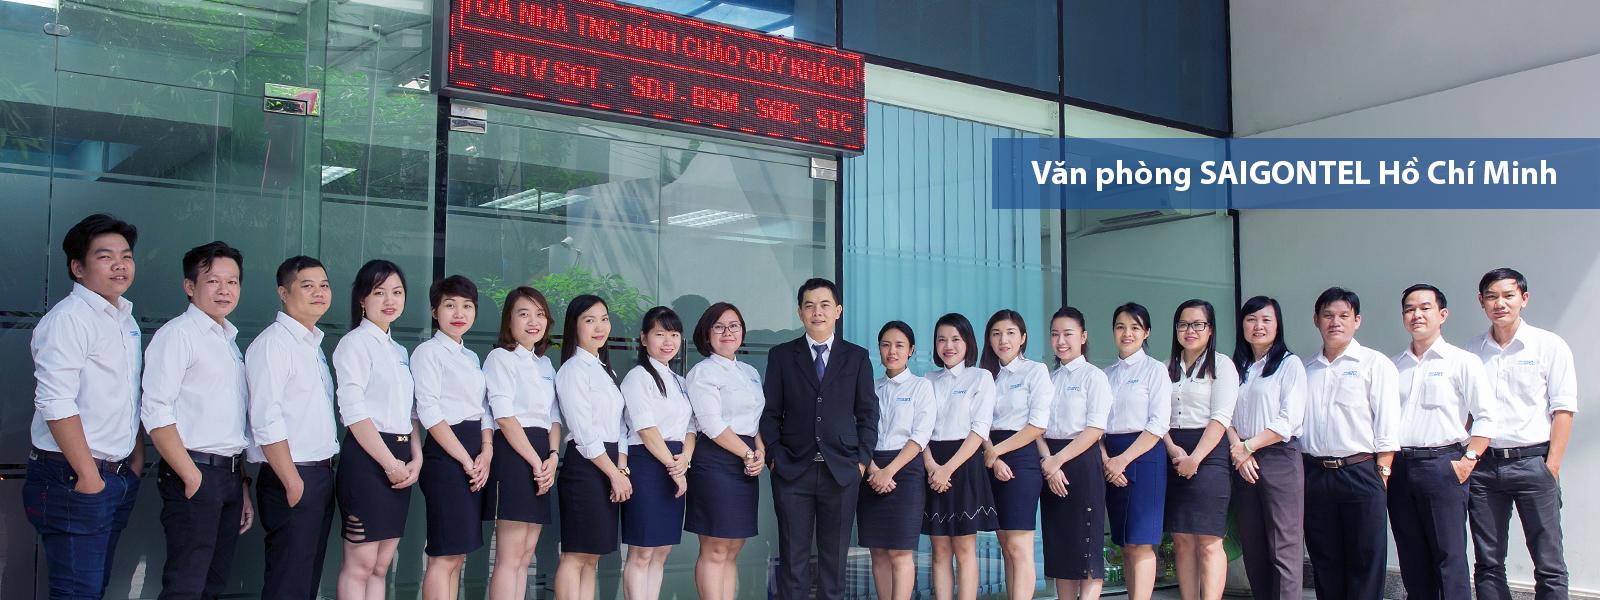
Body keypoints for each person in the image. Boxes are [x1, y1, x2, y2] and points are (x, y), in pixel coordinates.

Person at [24, 214, 146, 599]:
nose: (119, 265)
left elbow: (126, 395)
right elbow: (54, 401)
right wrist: (89, 477)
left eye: (126, 256)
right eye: (105, 257)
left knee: (92, 588)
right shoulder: (69, 320)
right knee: (77, 593)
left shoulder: (124, 318)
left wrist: (135, 460)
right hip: (72, 477)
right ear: (78, 268)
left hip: (115, 474)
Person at [142, 241, 254, 599]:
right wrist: (192, 476)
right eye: (213, 281)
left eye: (232, 281)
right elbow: (156, 410)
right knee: (186, 585)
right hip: (194, 471)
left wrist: (241, 484)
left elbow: (230, 422)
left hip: (229, 475)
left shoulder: (228, 340)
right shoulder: (178, 335)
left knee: (213, 584)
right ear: (190, 286)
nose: (225, 290)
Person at [760, 278, 877, 600]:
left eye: (825, 305)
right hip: (792, 470)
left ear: (838, 311)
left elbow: (868, 414)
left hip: (841, 471)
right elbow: (769, 413)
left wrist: (861, 462)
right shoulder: (782, 355)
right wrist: (774, 457)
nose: (817, 312)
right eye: (809, 306)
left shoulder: (857, 357)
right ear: (800, 313)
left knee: (834, 562)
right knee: (793, 560)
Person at [1467, 268, 1576, 600]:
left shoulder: (1549, 345)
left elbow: (1563, 410)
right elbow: (1466, 412)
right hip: (1484, 468)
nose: (1499, 303)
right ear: (1481, 302)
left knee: (1548, 563)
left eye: (1508, 295)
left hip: (1533, 463)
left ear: (1524, 299)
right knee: (1487, 562)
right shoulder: (1472, 352)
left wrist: (1551, 467)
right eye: (1491, 296)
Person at [1388, 283, 1497, 600]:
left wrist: (1469, 460)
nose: (1417, 315)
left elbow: (1486, 416)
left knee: (1449, 557)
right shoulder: (1393, 366)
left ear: (1443, 314)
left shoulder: (1462, 361)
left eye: (1425, 308)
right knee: (1411, 557)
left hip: (1442, 466)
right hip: (1400, 468)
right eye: (1409, 309)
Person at [245, 255, 340, 600]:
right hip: (292, 475)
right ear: (283, 293)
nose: (319, 293)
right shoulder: (274, 344)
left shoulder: (312, 345)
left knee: (305, 579)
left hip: (318, 474)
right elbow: (265, 418)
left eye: (324, 285)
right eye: (308, 286)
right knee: (289, 581)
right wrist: (292, 480)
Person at [1299, 287, 1399, 600]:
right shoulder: (1305, 369)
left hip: (1361, 471)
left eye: (1344, 315)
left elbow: (1388, 423)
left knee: (1365, 560)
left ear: (1357, 321)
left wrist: (1382, 473)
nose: (1335, 322)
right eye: (1328, 315)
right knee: (1324, 560)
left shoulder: (1374, 363)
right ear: (1316, 320)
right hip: (1315, 474)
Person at [333, 259, 422, 600]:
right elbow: (353, 412)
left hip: (402, 458)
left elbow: (410, 413)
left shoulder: (399, 351)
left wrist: (416, 459)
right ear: (362, 299)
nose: (389, 300)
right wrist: (389, 463)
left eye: (397, 292)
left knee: (382, 566)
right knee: (361, 565)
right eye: (379, 292)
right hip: (368, 459)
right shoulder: (354, 344)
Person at [412, 275, 494, 600]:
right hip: (447, 458)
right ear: (435, 311)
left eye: (467, 306)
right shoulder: (427, 353)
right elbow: (430, 412)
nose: (459, 313)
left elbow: (483, 409)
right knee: (444, 555)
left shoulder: (471, 357)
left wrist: (486, 451)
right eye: (450, 305)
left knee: (458, 555)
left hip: (474, 454)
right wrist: (466, 459)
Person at [483, 286, 562, 600]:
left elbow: (554, 417)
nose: (533, 321)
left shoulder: (545, 364)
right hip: (515, 454)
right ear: (509, 320)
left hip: (543, 454)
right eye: (524, 314)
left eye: (539, 314)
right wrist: (536, 462)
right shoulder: (500, 358)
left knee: (527, 553)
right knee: (510, 555)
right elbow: (504, 417)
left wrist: (552, 456)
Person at [1225, 296, 1306, 600]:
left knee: (1283, 547)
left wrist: (1248, 446)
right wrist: (1239, 448)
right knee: (1253, 545)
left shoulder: (1289, 364)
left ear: (1277, 325)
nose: (1258, 326)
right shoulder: (1237, 367)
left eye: (1266, 320)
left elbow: (1288, 420)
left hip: (1278, 458)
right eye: (1251, 319)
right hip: (1242, 458)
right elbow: (1224, 415)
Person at [684, 302, 765, 600]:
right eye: (718, 327)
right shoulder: (702, 372)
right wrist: (747, 454)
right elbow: (711, 423)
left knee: (733, 547)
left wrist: (760, 451)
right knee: (715, 547)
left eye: (734, 326)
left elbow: (755, 420)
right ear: (707, 334)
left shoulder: (750, 371)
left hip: (746, 461)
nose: (727, 332)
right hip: (715, 461)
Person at [553, 294, 631, 600]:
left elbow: (621, 426)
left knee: (592, 557)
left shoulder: (606, 370)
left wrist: (620, 469)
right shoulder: (572, 370)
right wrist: (614, 474)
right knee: (575, 555)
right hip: (585, 468)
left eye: (604, 319)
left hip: (609, 465)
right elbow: (584, 432)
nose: (600, 327)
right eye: (590, 320)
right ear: (574, 326)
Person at [619, 306, 697, 600]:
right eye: (660, 334)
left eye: (674, 335)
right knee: (642, 550)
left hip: (676, 462)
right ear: (643, 338)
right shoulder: (637, 377)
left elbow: (691, 426)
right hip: (648, 464)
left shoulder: (680, 381)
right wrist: (674, 467)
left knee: (662, 550)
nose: (668, 341)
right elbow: (646, 429)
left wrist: (685, 459)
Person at [1162, 300, 1238, 600]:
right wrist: (1172, 450)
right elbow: (1156, 416)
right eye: (1183, 324)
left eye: (1198, 324)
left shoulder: (1222, 365)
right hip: (1173, 451)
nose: (1190, 330)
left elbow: (1221, 418)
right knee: (1182, 540)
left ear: (1211, 329)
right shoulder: (1165, 367)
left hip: (1209, 454)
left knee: (1209, 540)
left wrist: (1195, 458)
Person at [921, 313, 999, 600]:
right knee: (939, 549)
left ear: (968, 342)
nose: (948, 346)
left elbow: (979, 430)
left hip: (964, 463)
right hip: (931, 463)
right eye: (942, 339)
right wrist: (932, 466)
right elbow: (920, 429)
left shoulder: (980, 377)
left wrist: (947, 469)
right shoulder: (927, 380)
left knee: (964, 549)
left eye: (955, 339)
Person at [1036, 307, 1110, 600]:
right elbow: (1036, 428)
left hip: (1082, 461)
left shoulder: (1094, 377)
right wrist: (1049, 463)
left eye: (1068, 334)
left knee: (1086, 550)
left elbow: (1095, 429)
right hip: (1050, 463)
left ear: (1083, 336)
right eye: (1055, 334)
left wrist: (1057, 461)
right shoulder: (1048, 379)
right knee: (1061, 550)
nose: (1061, 341)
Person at [858, 321, 935, 600]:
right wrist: (873, 470)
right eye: (886, 345)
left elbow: (921, 435)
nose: (892, 351)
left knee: (900, 552)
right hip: (871, 468)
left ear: (911, 350)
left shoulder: (921, 387)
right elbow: (859, 430)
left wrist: (889, 471)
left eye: (899, 345)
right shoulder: (869, 388)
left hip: (906, 469)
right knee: (878, 551)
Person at [1101, 302, 1172, 600]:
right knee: (1126, 543)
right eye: (1120, 327)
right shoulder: (1104, 375)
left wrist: (1122, 460)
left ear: (1147, 332)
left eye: (1135, 327)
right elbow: (1094, 425)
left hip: (1145, 456)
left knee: (1141, 543)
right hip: (1109, 458)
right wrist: (1108, 460)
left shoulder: (1155, 370)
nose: (1127, 333)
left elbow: (1158, 424)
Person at [979, 308, 1050, 600]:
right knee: (1006, 546)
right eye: (996, 334)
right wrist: (992, 455)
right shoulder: (985, 375)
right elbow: (978, 422)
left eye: (1010, 333)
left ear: (1023, 338)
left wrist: (998, 452)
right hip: (990, 455)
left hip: (1021, 457)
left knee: (1020, 547)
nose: (1003, 340)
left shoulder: (1035, 371)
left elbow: (1037, 425)